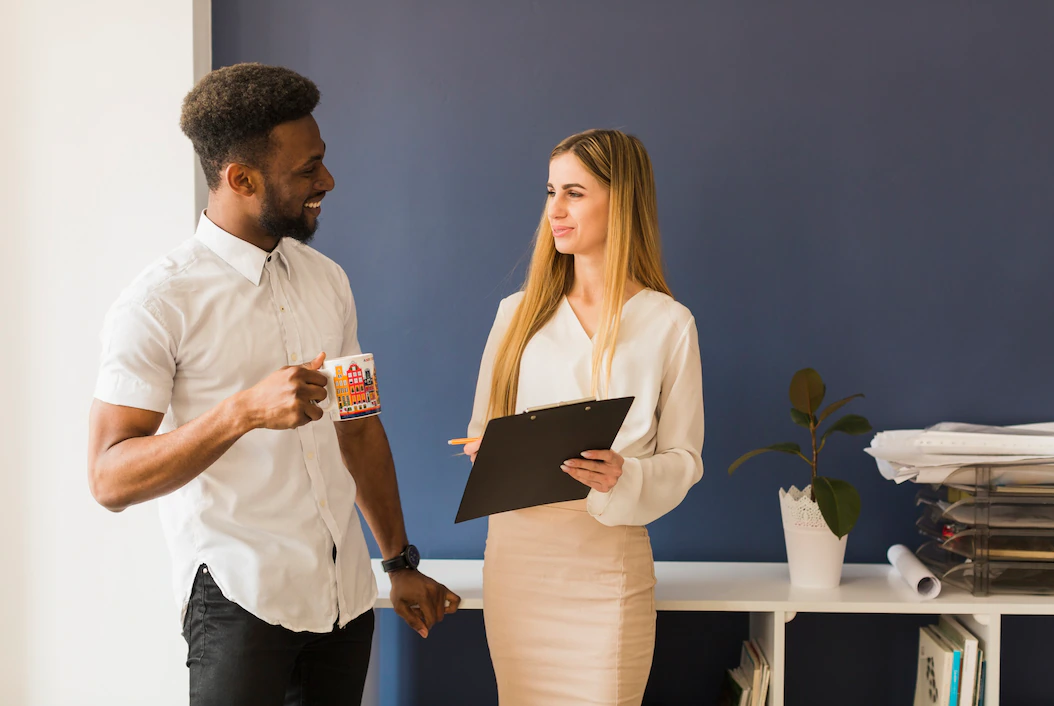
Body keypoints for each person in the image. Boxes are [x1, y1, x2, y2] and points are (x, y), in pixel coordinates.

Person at [88, 63, 459, 706]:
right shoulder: (157, 302)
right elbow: (109, 478)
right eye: (307, 169)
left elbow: (360, 423)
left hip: (343, 602)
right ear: (241, 178)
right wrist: (241, 413)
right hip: (239, 601)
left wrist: (398, 563)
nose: (328, 181)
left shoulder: (329, 281)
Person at [464, 128, 704, 705]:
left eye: (574, 192)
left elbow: (685, 458)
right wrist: (489, 450)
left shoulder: (669, 324)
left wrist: (628, 475)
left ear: (620, 201)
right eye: (550, 193)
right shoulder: (515, 316)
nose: (555, 211)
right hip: (519, 566)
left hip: (607, 567)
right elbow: (479, 429)